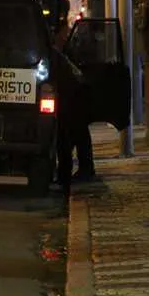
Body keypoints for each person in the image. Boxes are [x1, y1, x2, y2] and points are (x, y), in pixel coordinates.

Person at [53, 17, 96, 190]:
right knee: (74, 136)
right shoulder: (60, 51)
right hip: (71, 99)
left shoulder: (61, 52)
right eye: (63, 33)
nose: (64, 36)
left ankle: (76, 172)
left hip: (72, 99)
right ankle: (79, 170)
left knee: (70, 137)